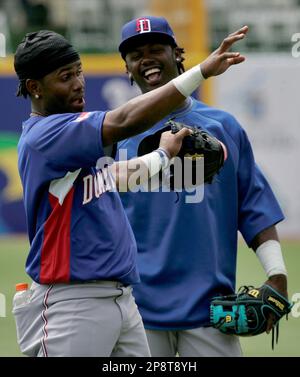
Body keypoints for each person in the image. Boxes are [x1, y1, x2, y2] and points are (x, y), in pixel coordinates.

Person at [12, 28, 245, 357]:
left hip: (122, 300)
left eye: (79, 71)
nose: (79, 82)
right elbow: (124, 119)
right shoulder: (46, 135)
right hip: (72, 304)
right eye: (66, 76)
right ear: (35, 87)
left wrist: (162, 156)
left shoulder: (71, 136)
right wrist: (202, 72)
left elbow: (115, 176)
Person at [117, 16, 288, 357]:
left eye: (156, 49)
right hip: (136, 313)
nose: (146, 59)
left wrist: (277, 273)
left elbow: (254, 207)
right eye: (136, 55)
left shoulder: (223, 127)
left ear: (177, 54)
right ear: (127, 68)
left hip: (210, 311)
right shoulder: (112, 134)